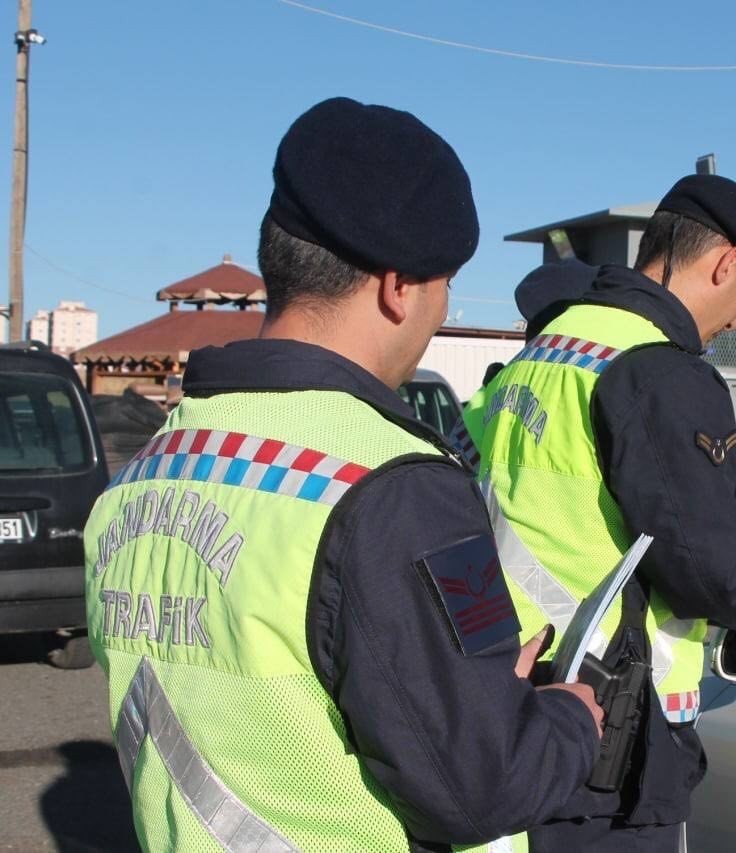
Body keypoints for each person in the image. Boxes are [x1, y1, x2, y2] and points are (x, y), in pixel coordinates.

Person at [84, 97, 602, 853]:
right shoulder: (397, 485)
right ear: (399, 286)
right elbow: (480, 785)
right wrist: (566, 718)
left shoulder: (144, 473)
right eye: (445, 285)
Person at [460, 174, 736, 851]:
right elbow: (712, 571)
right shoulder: (661, 370)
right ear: (726, 263)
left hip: (512, 691)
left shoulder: (555, 344)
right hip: (611, 736)